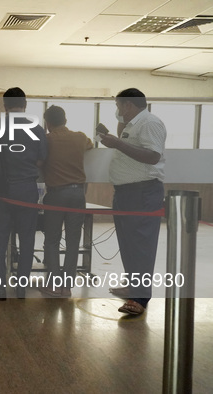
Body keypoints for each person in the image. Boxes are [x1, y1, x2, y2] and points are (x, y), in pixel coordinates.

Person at [97, 88, 166, 315]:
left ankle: (140, 298)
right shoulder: (132, 125)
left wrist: (117, 144)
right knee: (128, 244)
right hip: (126, 194)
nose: (117, 111)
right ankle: (133, 285)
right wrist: (117, 139)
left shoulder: (149, 123)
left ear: (128, 105)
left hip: (143, 194)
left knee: (141, 246)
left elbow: (153, 156)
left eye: (118, 106)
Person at [0, 88, 48, 300]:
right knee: (27, 239)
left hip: (3, 189)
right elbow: (41, 161)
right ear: (25, 104)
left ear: (4, 105)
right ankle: (21, 288)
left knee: (1, 239)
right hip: (27, 189)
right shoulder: (37, 129)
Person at [38, 105, 93, 298]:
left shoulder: (46, 139)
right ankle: (67, 287)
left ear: (48, 123)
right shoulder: (80, 137)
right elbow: (91, 146)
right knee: (73, 241)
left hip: (56, 195)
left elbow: (38, 160)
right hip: (78, 194)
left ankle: (54, 284)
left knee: (52, 241)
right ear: (66, 120)